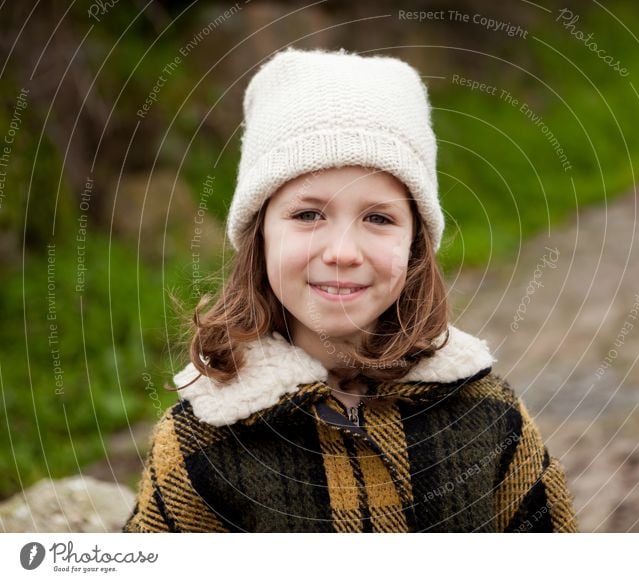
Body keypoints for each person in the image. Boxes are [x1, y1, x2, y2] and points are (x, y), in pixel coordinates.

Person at [123, 48, 578, 533]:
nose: (342, 252)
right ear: (260, 236)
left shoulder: (488, 415)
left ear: (414, 244)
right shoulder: (200, 443)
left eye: (378, 218)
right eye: (308, 214)